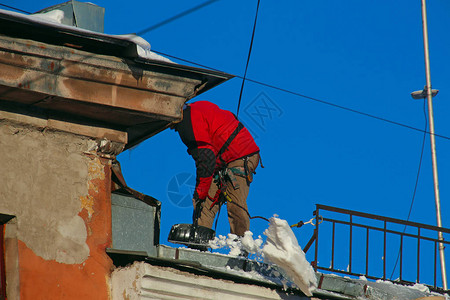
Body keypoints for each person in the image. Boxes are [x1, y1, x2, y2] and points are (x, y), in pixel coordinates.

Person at [173, 101, 260, 237]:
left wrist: (200, 191)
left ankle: (241, 246)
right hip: (223, 161)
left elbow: (206, 159)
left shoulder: (188, 122)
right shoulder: (195, 109)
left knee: (235, 204)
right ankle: (199, 242)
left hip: (240, 155)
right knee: (205, 205)